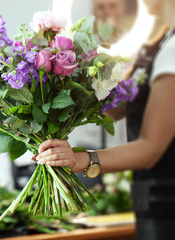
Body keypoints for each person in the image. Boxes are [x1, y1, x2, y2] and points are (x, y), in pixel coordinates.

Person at [33, 0, 175, 239]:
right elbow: (117, 109)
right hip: (152, 204)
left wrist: (82, 160)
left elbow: (151, 149)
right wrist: (84, 61)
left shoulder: (172, 50)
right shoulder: (158, 43)